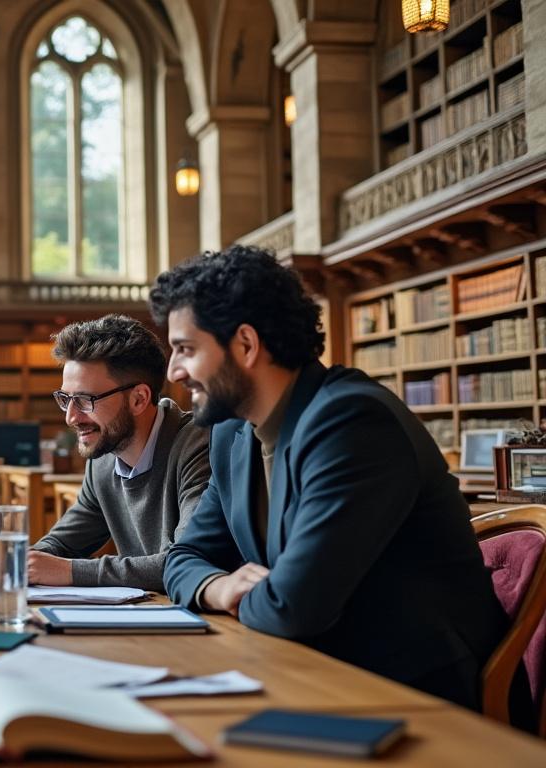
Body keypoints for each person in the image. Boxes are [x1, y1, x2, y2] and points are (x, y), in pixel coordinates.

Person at [152, 245, 508, 711]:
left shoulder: (352, 422)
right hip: (305, 670)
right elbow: (183, 558)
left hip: (412, 696)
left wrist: (247, 593)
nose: (174, 371)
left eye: (185, 349)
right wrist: (217, 587)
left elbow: (293, 608)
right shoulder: (231, 433)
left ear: (246, 344)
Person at [28, 316, 210, 592]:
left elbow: (186, 563)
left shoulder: (198, 446)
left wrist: (69, 571)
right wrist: (22, 563)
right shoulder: (103, 458)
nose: (70, 417)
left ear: (139, 399)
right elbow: (61, 545)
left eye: (85, 400)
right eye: (66, 399)